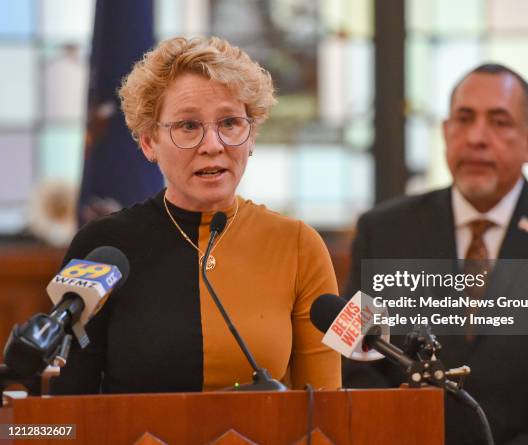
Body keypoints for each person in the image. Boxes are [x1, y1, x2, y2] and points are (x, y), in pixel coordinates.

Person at [50, 36, 341, 394]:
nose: (213, 145)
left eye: (230, 123)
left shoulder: (298, 246)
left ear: (251, 136)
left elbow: (325, 410)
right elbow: (66, 409)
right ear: (148, 142)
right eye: (188, 126)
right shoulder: (103, 248)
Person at [343, 64, 528, 444]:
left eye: (499, 122)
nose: (477, 138)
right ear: (445, 131)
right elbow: (355, 359)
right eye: (464, 119)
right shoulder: (384, 231)